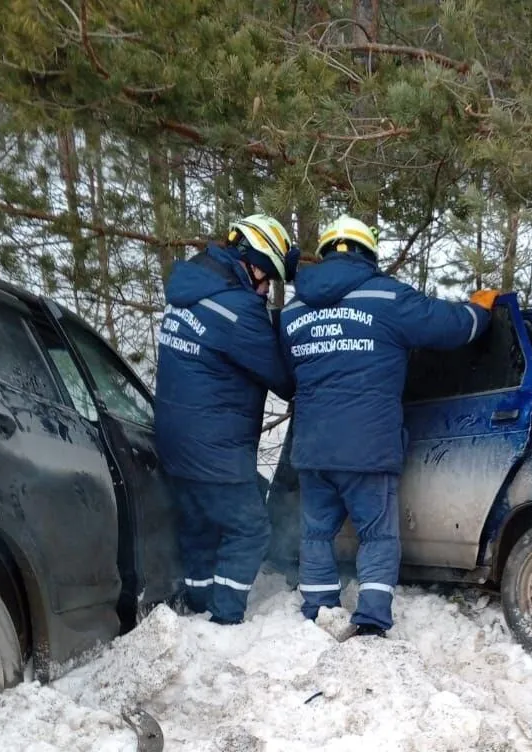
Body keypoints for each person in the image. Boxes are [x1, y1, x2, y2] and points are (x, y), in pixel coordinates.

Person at [278, 213, 498, 638]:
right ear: (368, 254)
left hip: (314, 447)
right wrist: (479, 310)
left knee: (316, 534)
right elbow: (452, 328)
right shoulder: (387, 297)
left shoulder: (293, 313)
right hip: (368, 445)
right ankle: (372, 620)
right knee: (377, 535)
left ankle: (318, 613)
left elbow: (290, 375)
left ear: (324, 254)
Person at [154, 213, 299, 625]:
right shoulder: (237, 310)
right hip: (215, 449)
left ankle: (199, 609)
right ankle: (224, 620)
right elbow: (283, 379)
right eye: (267, 275)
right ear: (250, 262)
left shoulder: (188, 295)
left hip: (175, 444)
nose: (268, 287)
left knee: (200, 530)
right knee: (252, 529)